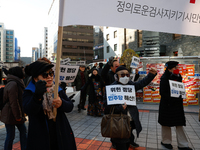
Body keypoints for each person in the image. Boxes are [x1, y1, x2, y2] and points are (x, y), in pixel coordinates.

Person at [23, 60, 76, 150]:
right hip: (40, 137)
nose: (49, 77)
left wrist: (62, 103)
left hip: (60, 133)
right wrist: (37, 96)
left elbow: (70, 107)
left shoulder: (57, 89)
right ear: (35, 79)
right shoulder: (29, 91)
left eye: (51, 73)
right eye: (45, 75)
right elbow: (29, 110)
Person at [104, 66, 157, 150]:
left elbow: (141, 83)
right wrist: (120, 108)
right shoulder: (111, 88)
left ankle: (130, 142)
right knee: (121, 144)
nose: (125, 77)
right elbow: (106, 107)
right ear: (116, 76)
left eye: (127, 75)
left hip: (131, 118)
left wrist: (151, 75)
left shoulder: (130, 84)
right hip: (118, 122)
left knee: (129, 137)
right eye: (122, 75)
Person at [158, 61, 192, 150]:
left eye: (177, 67)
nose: (177, 69)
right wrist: (172, 98)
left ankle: (183, 144)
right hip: (167, 105)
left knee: (179, 124)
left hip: (177, 106)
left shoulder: (178, 76)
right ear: (169, 69)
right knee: (166, 124)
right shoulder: (164, 78)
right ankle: (166, 142)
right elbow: (163, 92)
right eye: (175, 68)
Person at [0, 66, 27, 150]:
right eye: (22, 71)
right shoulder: (13, 83)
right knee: (11, 135)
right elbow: (13, 102)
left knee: (22, 132)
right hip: (11, 114)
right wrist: (18, 116)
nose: (23, 72)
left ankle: (24, 147)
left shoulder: (16, 82)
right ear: (18, 73)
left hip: (14, 113)